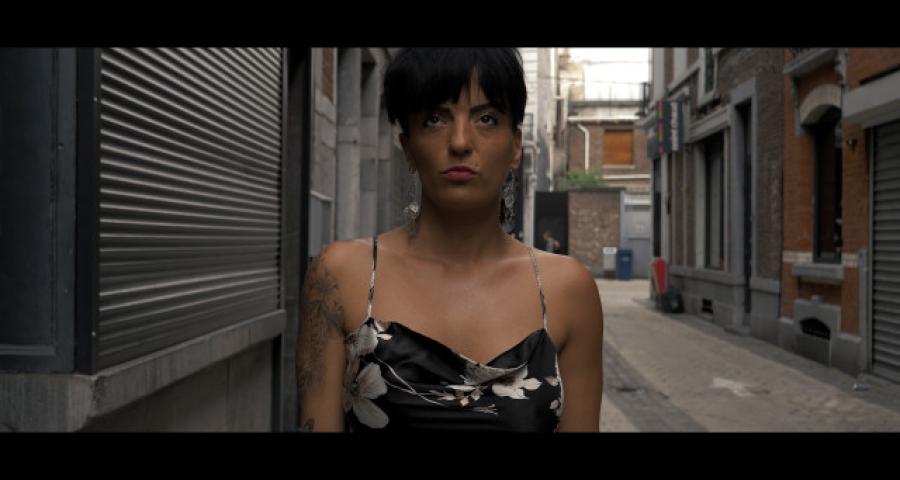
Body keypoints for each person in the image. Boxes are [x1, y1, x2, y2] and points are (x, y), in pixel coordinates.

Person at [296, 48, 604, 432]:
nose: (460, 141)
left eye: (486, 119)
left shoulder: (567, 290)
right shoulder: (341, 276)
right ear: (408, 147)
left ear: (515, 146)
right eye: (435, 119)